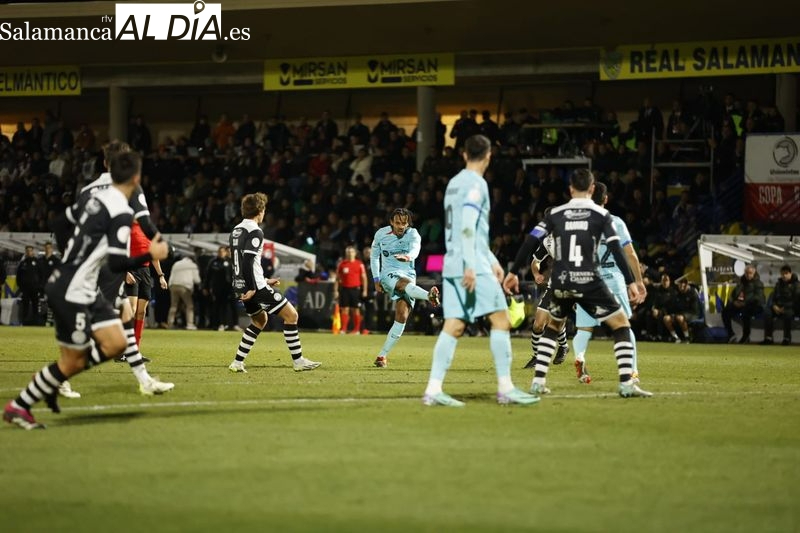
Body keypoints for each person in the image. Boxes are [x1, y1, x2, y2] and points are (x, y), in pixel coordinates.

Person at [3, 151, 170, 430]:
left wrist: (76, 254)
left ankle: (51, 384)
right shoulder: (121, 211)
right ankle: (21, 404)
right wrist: (150, 254)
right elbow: (117, 263)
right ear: (136, 180)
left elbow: (58, 223)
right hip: (72, 289)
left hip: (78, 283)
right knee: (73, 360)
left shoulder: (93, 197)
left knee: (116, 343)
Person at [503, 168, 652, 398]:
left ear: (571, 189)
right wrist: (632, 282)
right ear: (592, 189)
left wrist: (513, 272)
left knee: (553, 327)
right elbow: (616, 248)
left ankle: (538, 382)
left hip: (562, 280)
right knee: (621, 325)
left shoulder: (556, 214)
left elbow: (531, 238)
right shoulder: (601, 215)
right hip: (590, 280)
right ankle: (626, 383)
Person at [421, 135, 539, 407]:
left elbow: (469, 230)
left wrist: (494, 261)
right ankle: (506, 388)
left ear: (464, 155)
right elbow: (468, 225)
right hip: (469, 265)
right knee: (501, 320)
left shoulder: (453, 184)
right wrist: (472, 266)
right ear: (488, 156)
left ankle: (433, 389)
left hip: (453, 263)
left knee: (454, 325)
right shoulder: (477, 184)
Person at [59, 141, 174, 396]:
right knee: (96, 323)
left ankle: (144, 380)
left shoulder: (87, 189)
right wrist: (161, 244)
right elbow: (144, 221)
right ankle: (60, 376)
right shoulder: (129, 185)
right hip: (108, 263)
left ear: (104, 162)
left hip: (87, 263)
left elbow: (68, 226)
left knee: (125, 315)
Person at [228, 193, 320, 373]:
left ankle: (237, 362)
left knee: (259, 320)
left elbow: (241, 262)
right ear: (260, 211)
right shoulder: (255, 231)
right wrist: (254, 287)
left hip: (242, 285)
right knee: (291, 316)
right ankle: (298, 360)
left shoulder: (236, 230)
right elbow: (247, 261)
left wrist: (261, 281)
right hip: (254, 288)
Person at [571, 182, 646, 384]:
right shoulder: (615, 222)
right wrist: (638, 281)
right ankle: (632, 371)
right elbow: (630, 254)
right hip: (613, 281)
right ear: (606, 199)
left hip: (586, 281)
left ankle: (579, 357)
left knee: (584, 330)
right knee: (623, 326)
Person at [369, 208, 441, 368]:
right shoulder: (381, 234)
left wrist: (408, 257)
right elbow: (374, 257)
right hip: (388, 273)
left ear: (408, 223)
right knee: (403, 284)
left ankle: (382, 356)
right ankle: (429, 296)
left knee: (402, 315)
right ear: (391, 222)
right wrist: (376, 279)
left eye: (404, 223)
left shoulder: (413, 234)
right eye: (397, 223)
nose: (401, 226)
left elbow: (416, 249)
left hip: (408, 274)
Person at [521, 225, 570, 371]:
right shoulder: (547, 241)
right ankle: (536, 356)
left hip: (570, 285)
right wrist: (536, 274)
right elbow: (535, 261)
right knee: (537, 324)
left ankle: (563, 346)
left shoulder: (573, 236)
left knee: (555, 321)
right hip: (553, 285)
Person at [722, 264, 765, 344]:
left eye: (750, 273)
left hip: (755, 306)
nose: (748, 275)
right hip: (740, 305)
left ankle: (746, 335)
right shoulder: (741, 283)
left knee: (746, 312)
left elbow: (757, 298)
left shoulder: (758, 283)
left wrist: (744, 303)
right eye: (746, 273)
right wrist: (734, 302)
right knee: (726, 311)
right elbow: (734, 294)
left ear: (754, 273)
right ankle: (731, 334)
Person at [333, 246, 367, 334]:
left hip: (355, 289)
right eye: (348, 252)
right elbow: (337, 278)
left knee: (355, 309)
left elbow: (364, 278)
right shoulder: (342, 264)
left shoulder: (359, 264)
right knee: (345, 309)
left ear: (355, 253)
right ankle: (343, 329)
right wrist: (336, 290)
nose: (349, 253)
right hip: (344, 289)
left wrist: (364, 290)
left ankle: (356, 330)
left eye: (351, 252)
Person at [761, 265, 798, 345]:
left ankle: (787, 338)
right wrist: (774, 306)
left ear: (790, 273)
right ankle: (768, 338)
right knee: (767, 312)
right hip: (777, 307)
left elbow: (796, 300)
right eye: (782, 274)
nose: (784, 275)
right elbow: (774, 298)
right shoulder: (778, 284)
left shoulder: (796, 285)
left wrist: (784, 307)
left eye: (786, 273)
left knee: (788, 313)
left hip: (790, 307)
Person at [205, 246, 239, 332]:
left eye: (223, 251)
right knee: (219, 306)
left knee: (233, 306)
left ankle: (235, 324)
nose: (221, 253)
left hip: (230, 288)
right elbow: (208, 276)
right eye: (220, 251)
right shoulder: (213, 262)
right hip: (218, 288)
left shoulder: (231, 262)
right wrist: (206, 287)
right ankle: (220, 324)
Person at [167, 254, 201, 329]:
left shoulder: (176, 263)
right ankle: (190, 324)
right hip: (184, 286)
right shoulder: (192, 265)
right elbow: (197, 279)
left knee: (173, 306)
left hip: (173, 285)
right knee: (189, 306)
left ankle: (170, 323)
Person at [663, 278, 700, 343]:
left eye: (683, 285)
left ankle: (687, 337)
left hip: (692, 314)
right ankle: (675, 337)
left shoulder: (692, 293)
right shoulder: (677, 294)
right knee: (666, 318)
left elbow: (694, 309)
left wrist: (681, 314)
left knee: (680, 318)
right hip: (679, 313)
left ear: (686, 285)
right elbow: (675, 306)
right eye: (680, 285)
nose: (681, 287)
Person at [16, 246, 42, 326]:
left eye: (30, 251)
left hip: (35, 288)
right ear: (25, 252)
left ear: (33, 252)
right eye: (27, 251)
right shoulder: (23, 263)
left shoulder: (37, 262)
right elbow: (18, 276)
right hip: (25, 289)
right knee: (25, 305)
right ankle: (24, 322)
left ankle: (36, 322)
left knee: (35, 305)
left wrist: (39, 287)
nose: (29, 252)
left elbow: (41, 275)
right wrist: (21, 287)